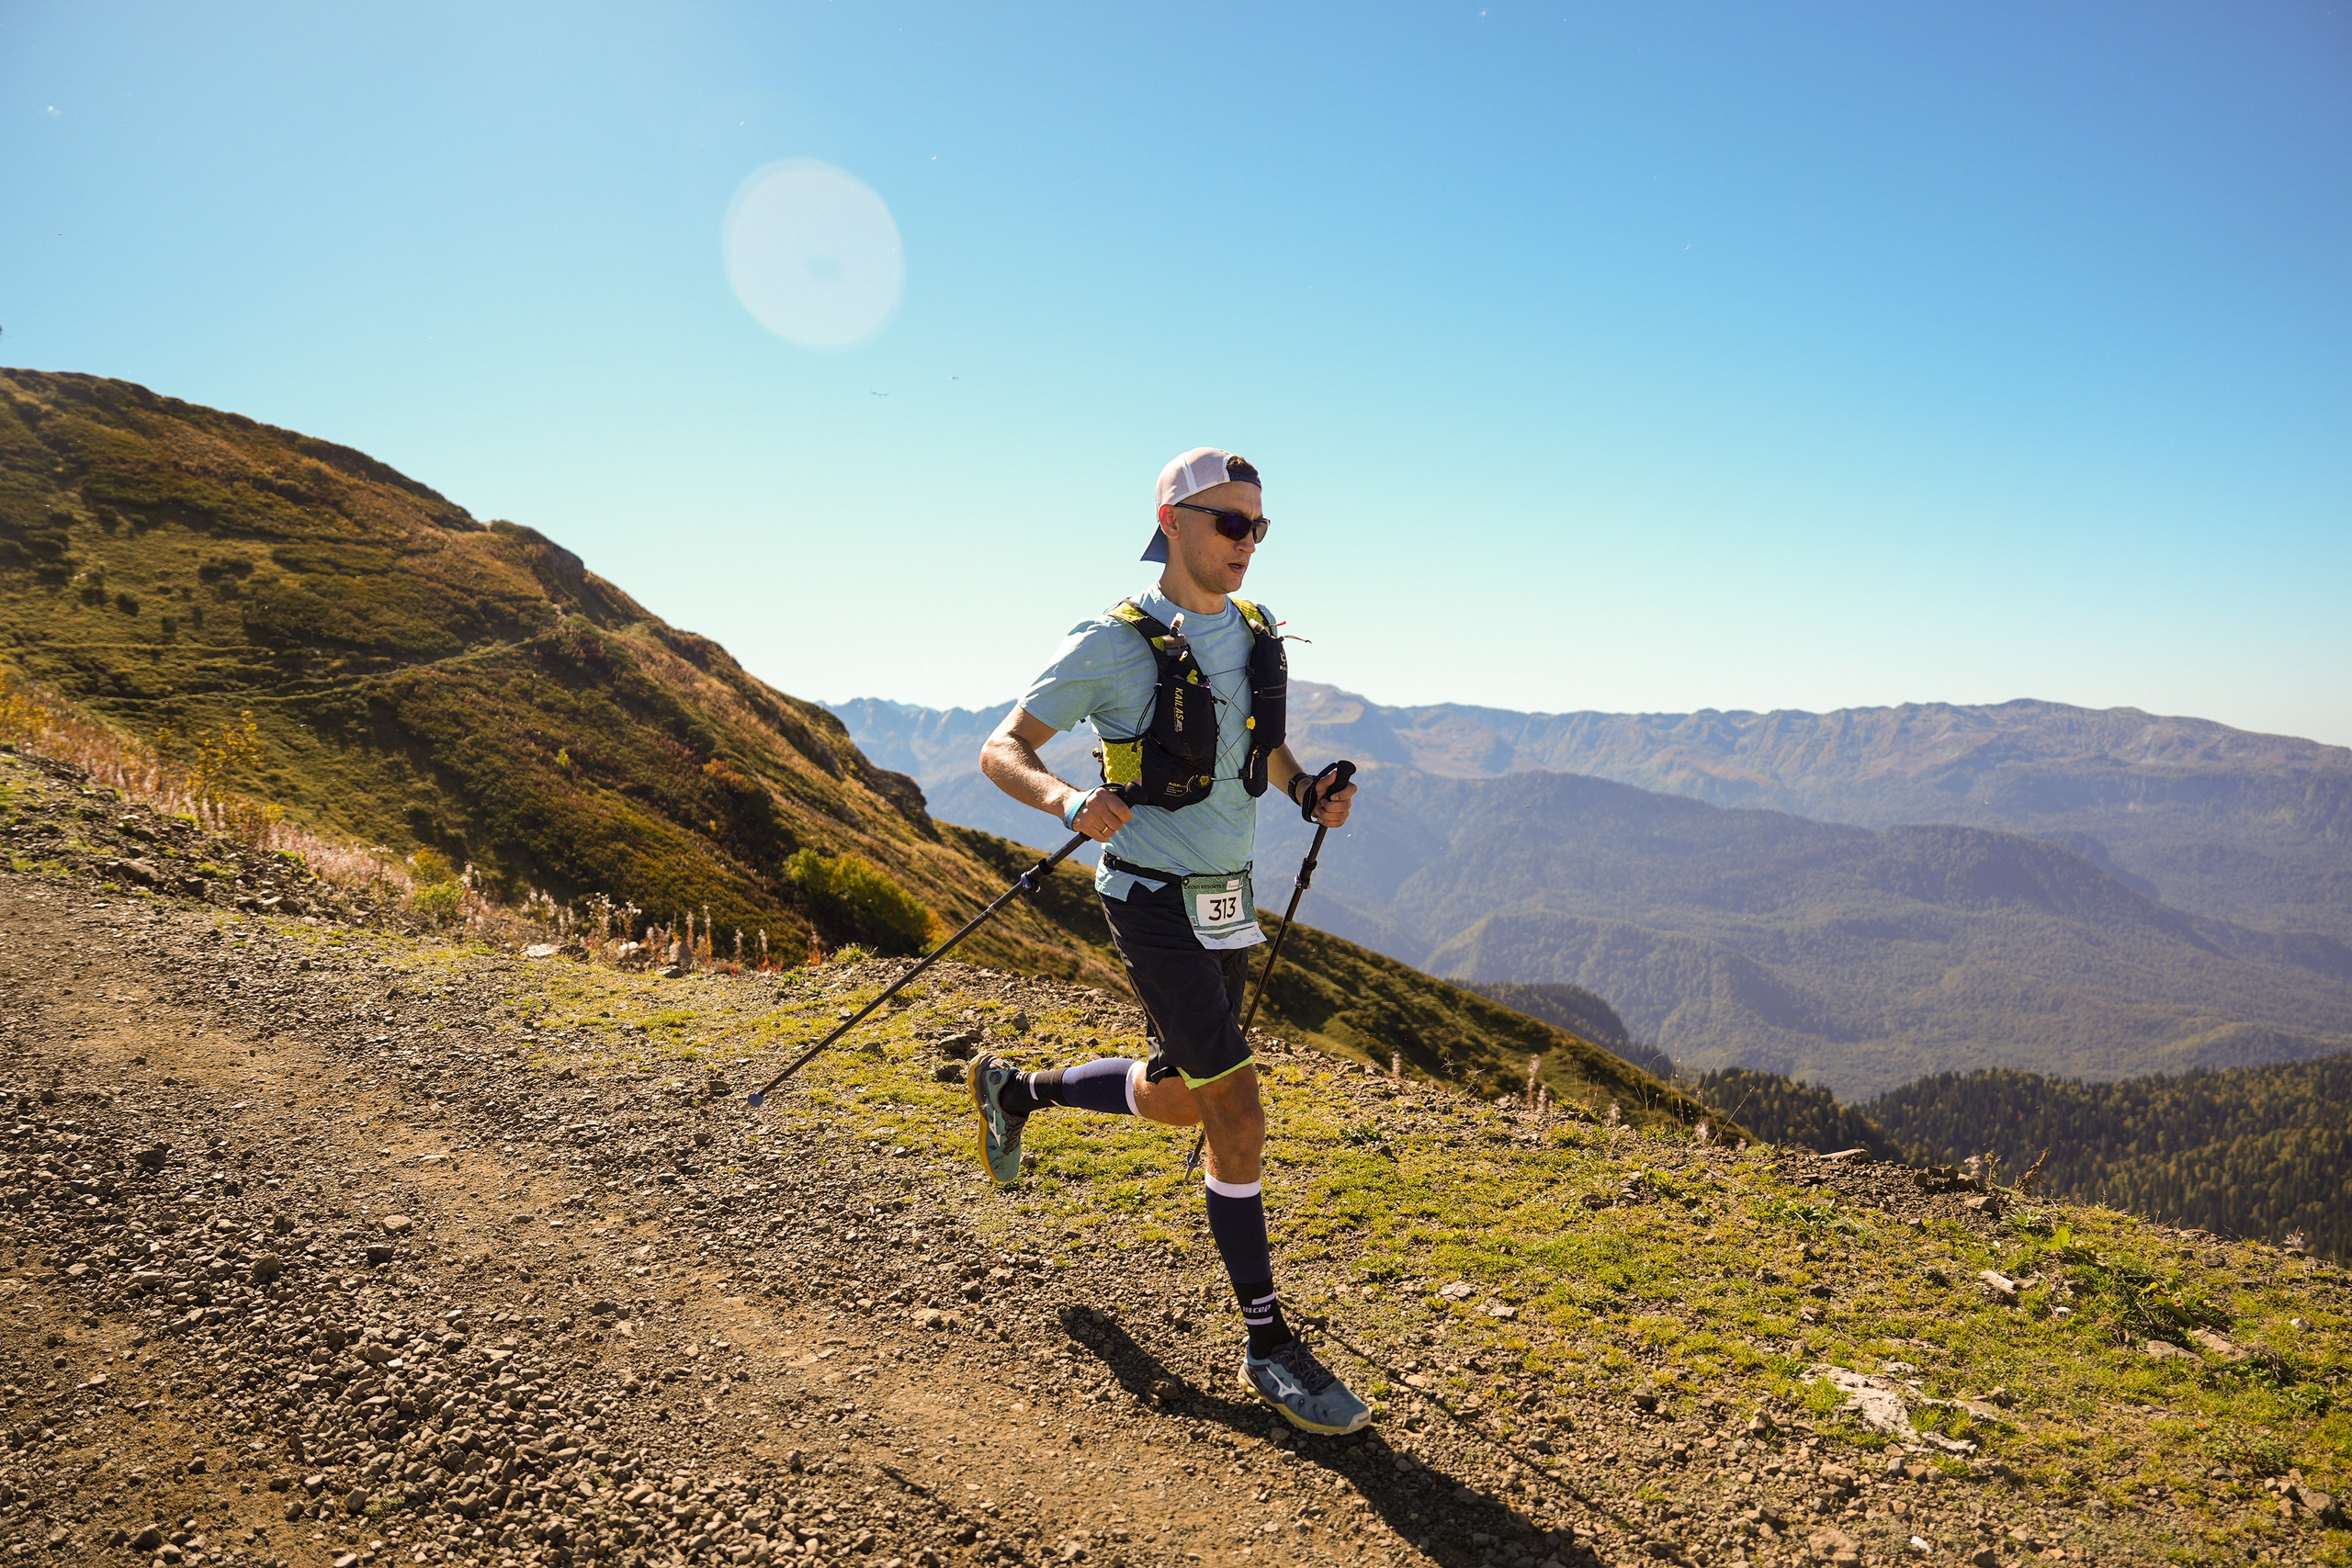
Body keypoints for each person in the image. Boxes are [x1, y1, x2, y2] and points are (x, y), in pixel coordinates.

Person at [972, 446, 1372, 1435]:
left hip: (1227, 900)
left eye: (1259, 526)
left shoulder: (1253, 631)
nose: (1248, 543)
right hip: (1149, 898)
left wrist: (1303, 788)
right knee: (1236, 1109)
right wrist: (1067, 796)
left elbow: (1254, 749)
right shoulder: (1111, 644)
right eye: (1230, 522)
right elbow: (1000, 748)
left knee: (1178, 1101)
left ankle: (1013, 1090)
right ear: (1173, 518)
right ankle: (1269, 1343)